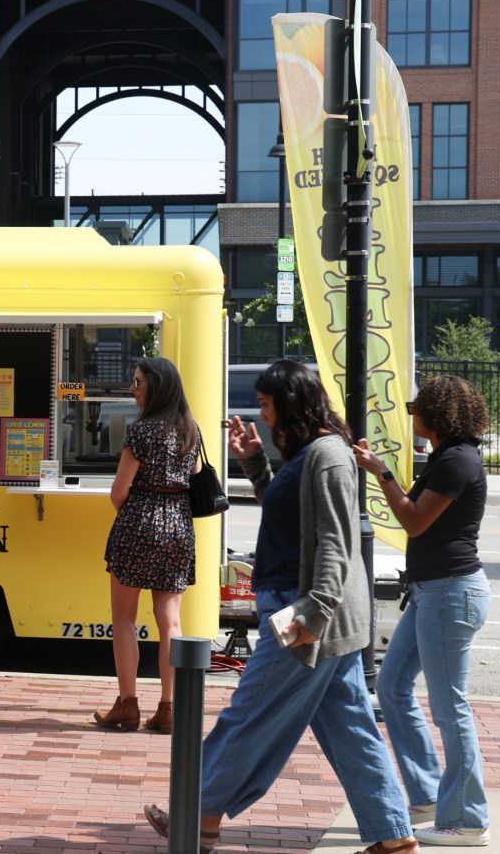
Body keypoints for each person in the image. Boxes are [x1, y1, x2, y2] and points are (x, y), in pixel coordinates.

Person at [142, 360, 417, 854]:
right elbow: (287, 512)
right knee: (350, 727)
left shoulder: (328, 454)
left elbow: (336, 540)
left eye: (267, 405)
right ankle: (394, 836)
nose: (262, 416)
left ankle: (197, 816)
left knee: (248, 712)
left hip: (303, 612)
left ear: (291, 403)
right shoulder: (313, 453)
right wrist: (254, 464)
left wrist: (315, 613)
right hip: (311, 612)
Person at [353, 376, 492, 847]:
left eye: (415, 407)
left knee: (451, 709)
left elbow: (414, 522)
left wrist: (382, 473)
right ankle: (432, 796)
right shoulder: (448, 456)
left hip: (451, 594)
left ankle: (468, 820)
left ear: (436, 414)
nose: (410, 414)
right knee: (391, 687)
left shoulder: (457, 460)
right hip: (433, 591)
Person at [93, 356, 200, 735]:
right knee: (170, 621)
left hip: (138, 524)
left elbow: (119, 492)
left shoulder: (141, 433)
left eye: (137, 382)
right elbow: (196, 476)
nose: (132, 388)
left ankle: (127, 705)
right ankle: (168, 709)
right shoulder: (191, 430)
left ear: (156, 385)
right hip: (178, 528)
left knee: (124, 618)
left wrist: (140, 511)